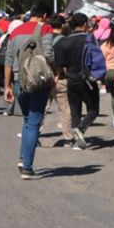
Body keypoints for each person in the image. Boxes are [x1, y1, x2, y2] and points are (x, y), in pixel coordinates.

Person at [4, 2, 55, 179]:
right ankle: (27, 167)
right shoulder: (46, 29)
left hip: (18, 81)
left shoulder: (16, 31)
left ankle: (22, 158)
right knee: (34, 121)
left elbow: (9, 60)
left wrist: (7, 85)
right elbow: (49, 55)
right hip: (37, 79)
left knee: (27, 120)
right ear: (45, 16)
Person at [54, 13, 100, 151]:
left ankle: (75, 141)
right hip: (87, 79)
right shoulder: (89, 39)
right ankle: (80, 130)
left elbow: (60, 63)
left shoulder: (64, 41)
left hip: (71, 78)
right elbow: (96, 57)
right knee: (93, 109)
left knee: (75, 111)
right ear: (85, 24)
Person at [48, 15, 73, 145]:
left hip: (44, 78)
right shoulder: (66, 42)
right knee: (65, 109)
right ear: (62, 26)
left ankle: (33, 134)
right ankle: (68, 138)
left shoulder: (43, 40)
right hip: (61, 79)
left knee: (40, 108)